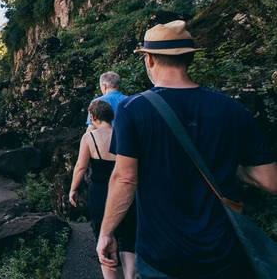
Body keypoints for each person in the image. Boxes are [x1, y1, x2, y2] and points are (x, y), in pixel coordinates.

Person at [96, 20, 277, 278]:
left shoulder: (132, 109)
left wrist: (106, 232)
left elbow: (125, 177)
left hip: (163, 254)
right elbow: (270, 180)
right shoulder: (232, 109)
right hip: (224, 252)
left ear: (149, 60)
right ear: (189, 58)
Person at [70, 100, 136, 279]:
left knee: (104, 237)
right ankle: (131, 276)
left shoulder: (89, 137)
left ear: (93, 116)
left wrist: (73, 189)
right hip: (126, 193)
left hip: (100, 193)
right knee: (129, 238)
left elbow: (80, 167)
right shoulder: (123, 134)